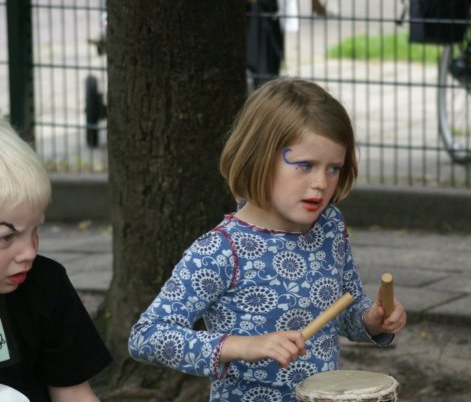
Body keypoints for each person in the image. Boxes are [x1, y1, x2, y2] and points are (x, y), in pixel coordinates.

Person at [128, 77, 407, 401]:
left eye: (334, 168)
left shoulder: (329, 227)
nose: (321, 182)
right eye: (305, 165)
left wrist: (371, 320)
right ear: (258, 157)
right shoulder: (221, 251)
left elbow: (344, 311)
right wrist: (243, 346)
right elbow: (147, 336)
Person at [0, 119, 112, 402]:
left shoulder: (45, 286)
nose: (29, 253)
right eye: (5, 237)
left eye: (36, 230)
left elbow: (74, 394)